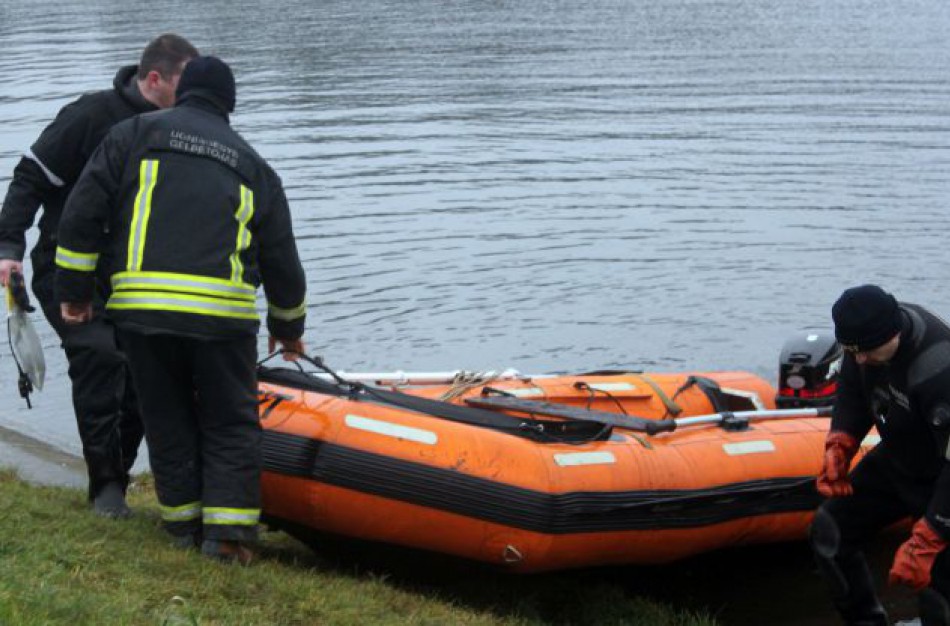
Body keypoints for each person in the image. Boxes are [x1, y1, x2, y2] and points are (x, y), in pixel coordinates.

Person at [55, 55, 307, 563]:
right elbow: (281, 257)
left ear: (183, 91)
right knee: (230, 422)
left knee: (166, 416)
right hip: (222, 318)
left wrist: (75, 292)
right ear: (229, 105)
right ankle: (229, 540)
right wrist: (288, 325)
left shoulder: (131, 135)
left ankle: (183, 528)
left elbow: (82, 214)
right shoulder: (253, 164)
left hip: (143, 314)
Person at [0, 34, 199, 517]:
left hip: (136, 276)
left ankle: (118, 477)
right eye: (183, 85)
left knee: (141, 373)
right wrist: (9, 248)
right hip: (65, 268)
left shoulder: (181, 128)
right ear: (154, 79)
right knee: (98, 358)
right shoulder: (89, 116)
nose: (192, 98)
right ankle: (105, 486)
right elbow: (30, 178)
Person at [810, 284, 950, 626]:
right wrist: (840, 442)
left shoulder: (939, 368)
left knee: (935, 591)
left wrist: (929, 536)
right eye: (851, 350)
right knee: (830, 531)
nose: (858, 359)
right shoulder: (865, 337)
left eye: (865, 351)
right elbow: (853, 388)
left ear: (894, 333)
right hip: (900, 460)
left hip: (943, 481)